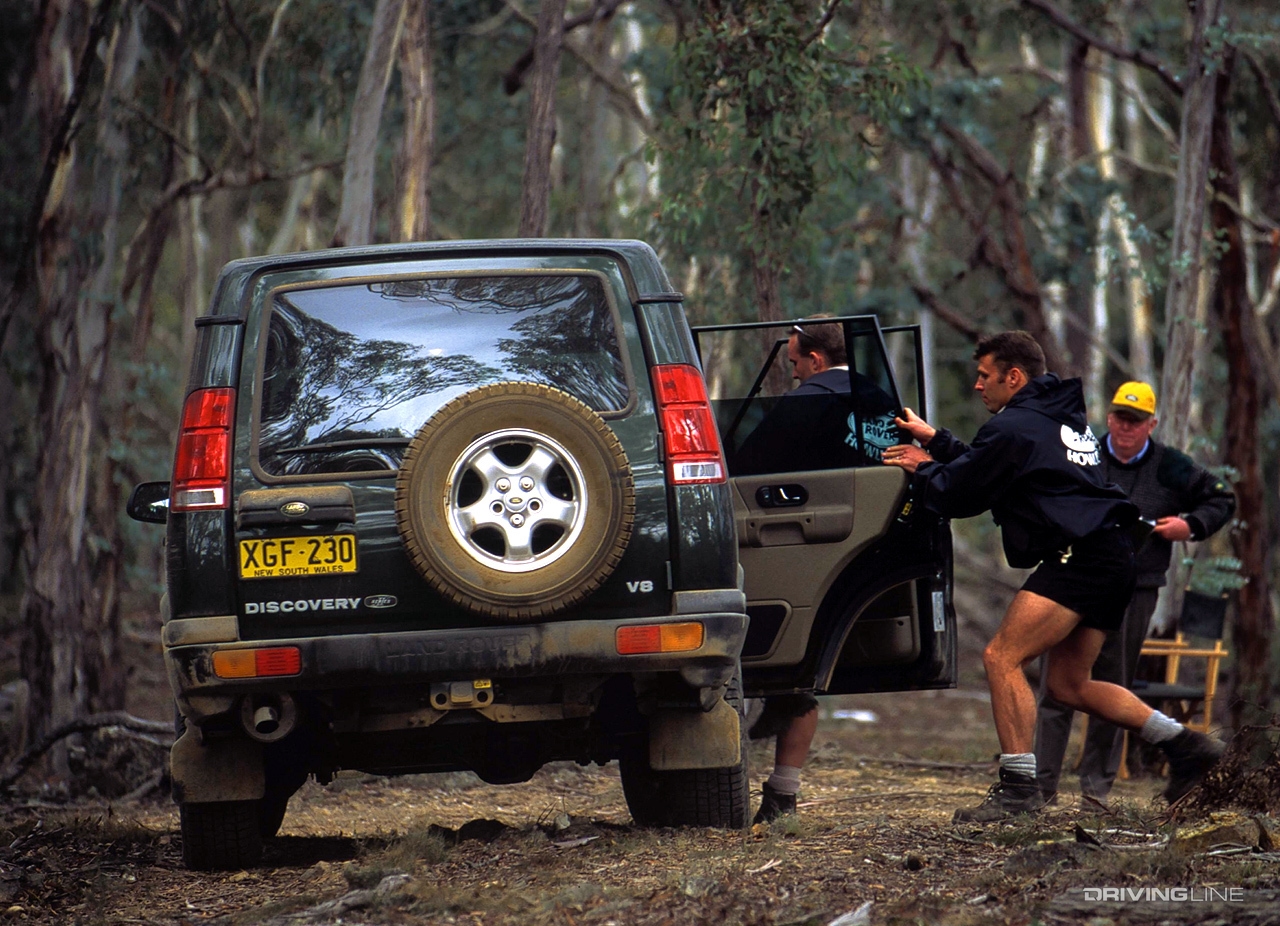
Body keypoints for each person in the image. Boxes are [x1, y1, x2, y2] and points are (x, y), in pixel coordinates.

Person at [882, 332, 1225, 822]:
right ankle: (1186, 745)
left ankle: (1019, 789)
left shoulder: (1015, 426)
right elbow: (992, 463)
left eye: (984, 375)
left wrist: (923, 468)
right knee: (1069, 685)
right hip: (1114, 555)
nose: (977, 385)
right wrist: (936, 440)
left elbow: (963, 493)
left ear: (1013, 376)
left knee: (1001, 657)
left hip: (1080, 558)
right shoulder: (1058, 419)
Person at [1034, 381, 1236, 805]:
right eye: (1121, 418)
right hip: (1074, 582)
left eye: (1136, 420)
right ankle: (1039, 786)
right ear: (1109, 418)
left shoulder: (1170, 466)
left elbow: (1222, 498)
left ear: (1152, 424)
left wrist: (1190, 525)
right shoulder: (1084, 452)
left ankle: (1095, 792)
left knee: (1112, 684)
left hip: (1136, 587)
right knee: (1057, 685)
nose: (1126, 427)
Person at [736, 318, 895, 824]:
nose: (795, 373)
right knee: (804, 678)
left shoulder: (805, 403)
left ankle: (763, 791)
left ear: (817, 360)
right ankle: (784, 790)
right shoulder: (880, 401)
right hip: (860, 555)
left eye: (796, 364)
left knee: (776, 672)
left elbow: (746, 468)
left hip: (794, 548)